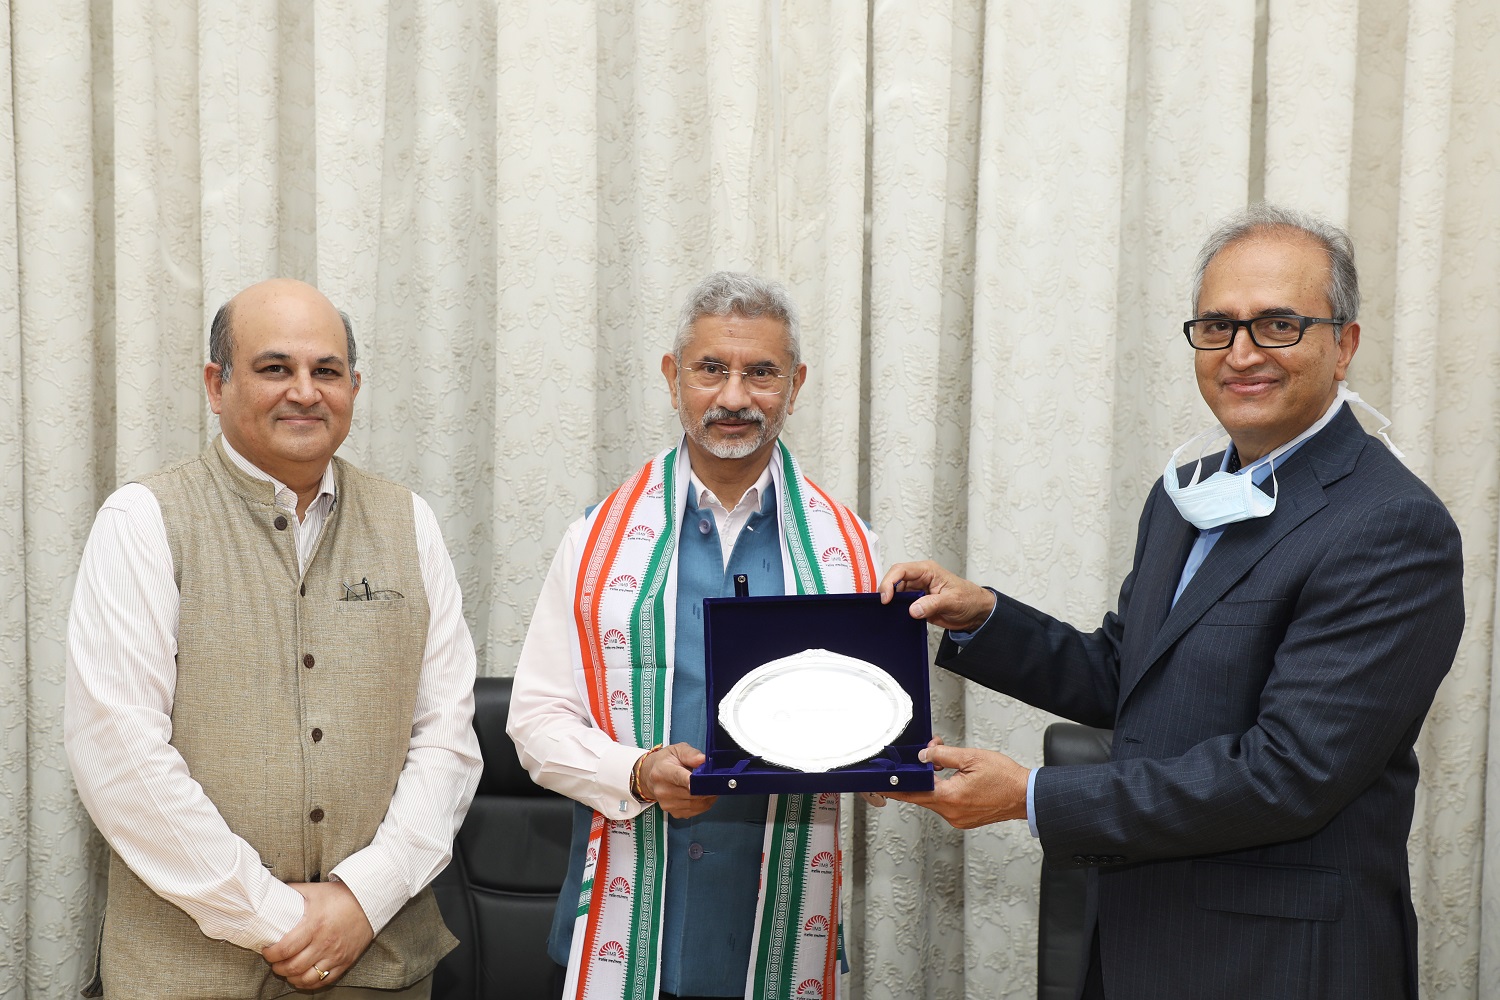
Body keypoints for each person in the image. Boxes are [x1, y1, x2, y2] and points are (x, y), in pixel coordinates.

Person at [878, 205, 1464, 1000]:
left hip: (1279, 964)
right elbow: (1131, 676)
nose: (1242, 353)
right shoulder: (1187, 497)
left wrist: (1032, 796)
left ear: (1345, 344)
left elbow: (1289, 773)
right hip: (1135, 937)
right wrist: (982, 616)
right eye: (1218, 326)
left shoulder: (1389, 524)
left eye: (1279, 325)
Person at [65, 279, 483, 999]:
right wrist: (275, 917)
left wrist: (364, 898)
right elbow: (118, 754)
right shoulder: (142, 520)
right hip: (187, 972)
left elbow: (445, 738)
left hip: (379, 965)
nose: (304, 392)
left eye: (326, 371)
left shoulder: (408, 520)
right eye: (273, 368)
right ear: (215, 385)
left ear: (353, 386)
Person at [508, 272, 880, 1000]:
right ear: (674, 377)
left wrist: (881, 758)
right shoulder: (595, 541)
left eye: (761, 373)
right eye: (712, 369)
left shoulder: (851, 549)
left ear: (796, 384)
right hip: (624, 921)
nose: (735, 398)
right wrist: (638, 772)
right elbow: (535, 722)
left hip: (778, 927)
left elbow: (874, 725)